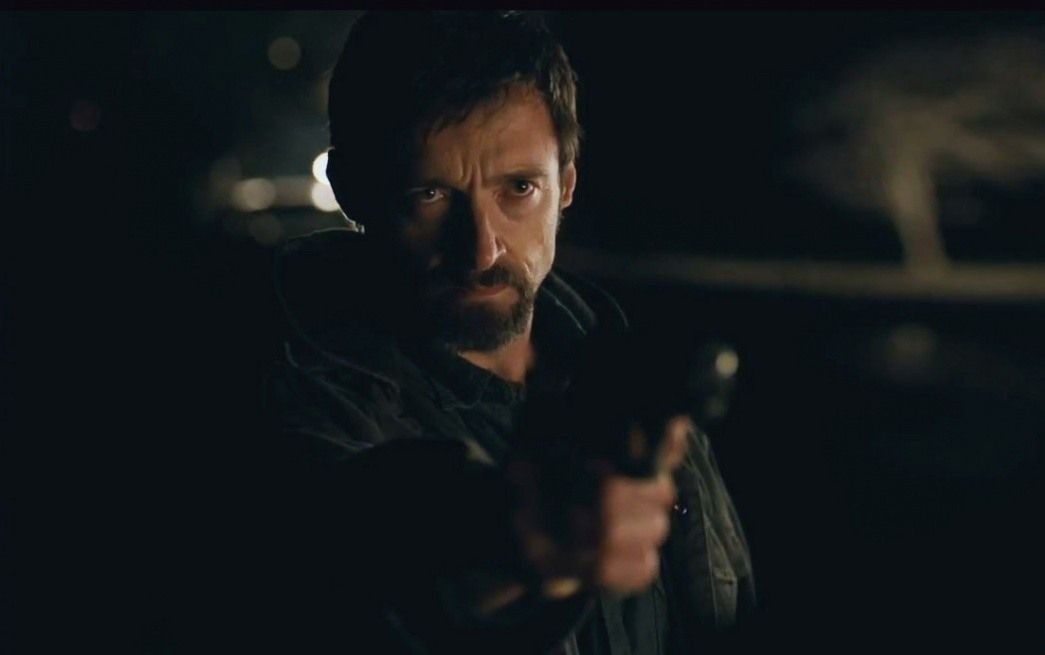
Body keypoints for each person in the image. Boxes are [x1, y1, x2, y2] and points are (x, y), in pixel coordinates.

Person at [266, 11, 754, 655]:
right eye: (429, 195)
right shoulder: (298, 391)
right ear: (353, 191)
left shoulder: (626, 374)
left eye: (519, 188)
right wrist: (507, 539)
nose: (481, 249)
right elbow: (347, 550)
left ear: (566, 184)